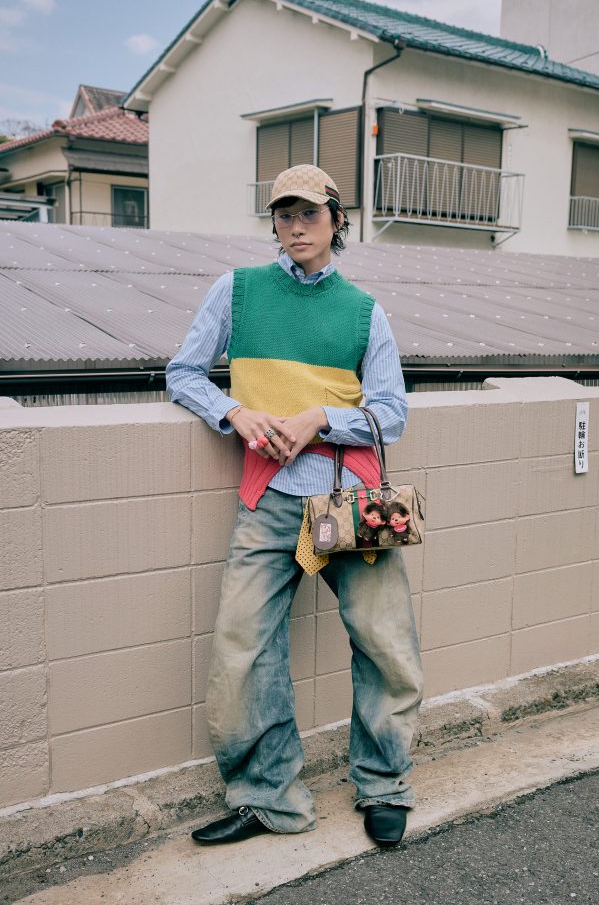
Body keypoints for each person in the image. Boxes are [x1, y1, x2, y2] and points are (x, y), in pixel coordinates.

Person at [166, 164, 422, 849]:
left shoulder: (364, 311)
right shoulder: (237, 291)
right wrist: (233, 412)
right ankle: (268, 799)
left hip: (351, 499)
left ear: (337, 219)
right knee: (243, 649)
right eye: (284, 214)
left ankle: (384, 785)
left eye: (309, 213)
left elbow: (392, 413)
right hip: (269, 498)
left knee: (385, 644)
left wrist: (320, 418)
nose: (296, 226)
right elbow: (183, 373)